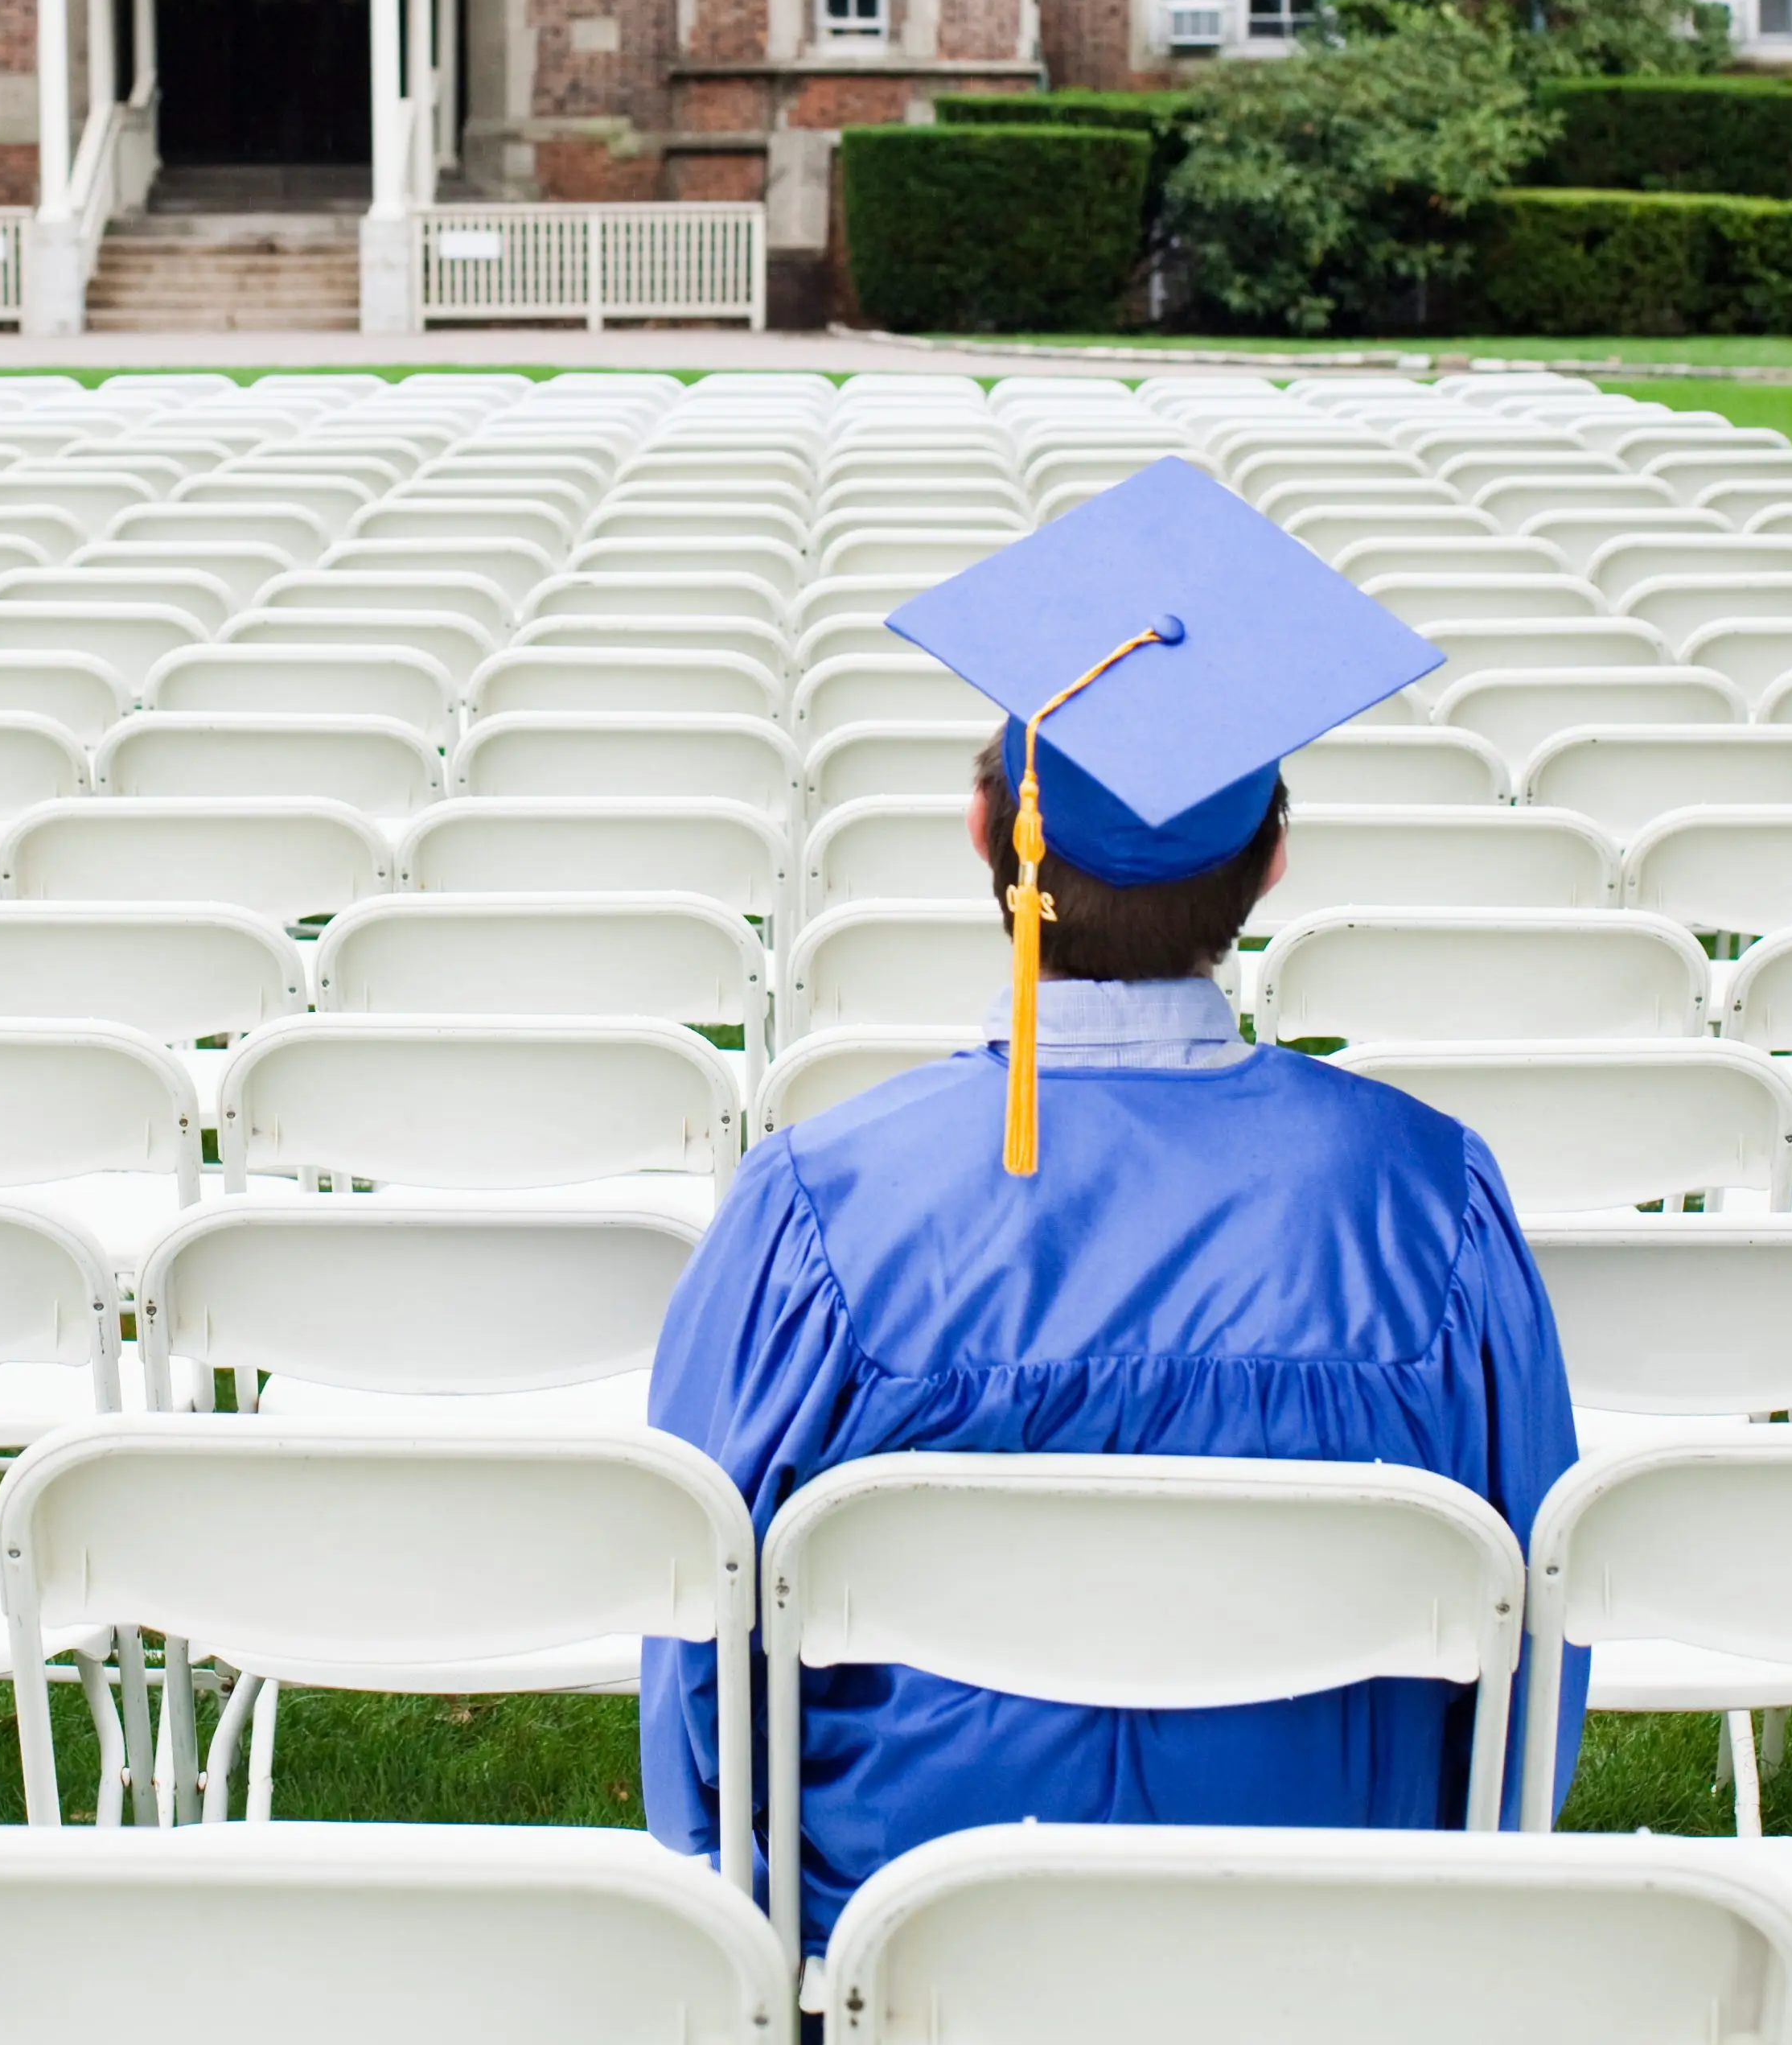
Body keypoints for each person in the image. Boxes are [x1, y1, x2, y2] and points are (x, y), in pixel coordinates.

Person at [639, 458, 1583, 1946]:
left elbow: (700, 1646)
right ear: (1272, 866)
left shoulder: (822, 1202)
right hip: (1329, 1944)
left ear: (984, 846)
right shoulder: (1433, 1207)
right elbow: (1535, 1650)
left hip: (912, 1941)